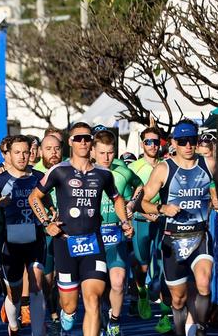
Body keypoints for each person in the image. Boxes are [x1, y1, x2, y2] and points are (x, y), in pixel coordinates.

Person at [29, 122, 133, 336]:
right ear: (70, 142)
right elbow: (34, 197)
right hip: (65, 244)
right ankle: (65, 319)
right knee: (69, 306)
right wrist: (47, 222)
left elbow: (117, 198)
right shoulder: (59, 171)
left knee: (93, 300)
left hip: (93, 244)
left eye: (87, 138)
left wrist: (124, 222)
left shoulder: (104, 174)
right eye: (78, 138)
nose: (83, 142)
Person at [141, 119, 218, 336]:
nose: (188, 146)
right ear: (174, 143)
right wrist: (161, 207)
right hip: (173, 238)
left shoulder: (209, 164)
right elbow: (143, 201)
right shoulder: (163, 169)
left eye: (192, 141)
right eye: (183, 141)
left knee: (204, 283)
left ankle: (201, 329)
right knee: (178, 300)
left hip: (199, 235)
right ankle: (180, 330)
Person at [0, 135, 47, 336]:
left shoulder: (40, 177)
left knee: (37, 286)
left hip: (36, 238)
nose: (22, 157)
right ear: (9, 155)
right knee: (14, 292)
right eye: (17, 152)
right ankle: (13, 326)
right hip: (10, 242)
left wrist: (52, 212)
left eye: (26, 152)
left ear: (32, 153)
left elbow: (50, 203)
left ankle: (38, 333)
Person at [91, 130, 142, 336]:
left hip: (115, 233)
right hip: (91, 236)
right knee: (98, 287)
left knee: (119, 282)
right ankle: (102, 316)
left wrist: (131, 204)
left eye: (110, 153)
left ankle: (114, 322)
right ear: (93, 151)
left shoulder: (122, 172)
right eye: (102, 153)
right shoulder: (84, 172)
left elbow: (139, 186)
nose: (106, 157)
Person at [126, 126, 172, 331]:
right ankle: (141, 293)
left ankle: (164, 316)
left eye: (156, 142)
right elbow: (128, 198)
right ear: (142, 144)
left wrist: (160, 213)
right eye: (148, 142)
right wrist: (145, 214)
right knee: (142, 264)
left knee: (163, 269)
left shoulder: (168, 165)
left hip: (162, 222)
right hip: (141, 221)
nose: (152, 146)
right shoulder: (134, 168)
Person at [32, 134, 63, 328]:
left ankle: (60, 317)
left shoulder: (69, 169)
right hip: (45, 234)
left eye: (57, 148)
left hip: (69, 231)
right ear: (41, 151)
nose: (53, 152)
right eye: (49, 148)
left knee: (67, 280)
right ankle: (53, 317)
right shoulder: (35, 173)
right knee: (48, 282)